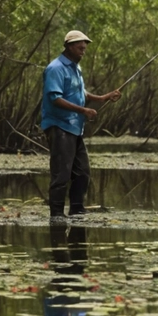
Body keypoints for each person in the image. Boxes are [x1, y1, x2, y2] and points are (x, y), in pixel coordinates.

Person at [40, 30, 121, 221]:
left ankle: (77, 209)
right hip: (59, 126)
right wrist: (83, 111)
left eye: (84, 49)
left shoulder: (76, 68)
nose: (82, 52)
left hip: (75, 127)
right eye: (79, 48)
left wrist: (102, 98)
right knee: (61, 173)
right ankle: (57, 214)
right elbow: (54, 98)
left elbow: (80, 92)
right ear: (68, 47)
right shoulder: (55, 68)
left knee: (83, 172)